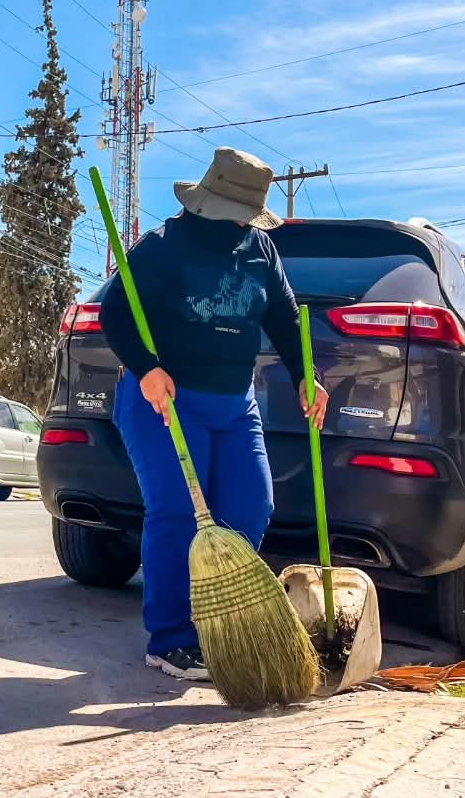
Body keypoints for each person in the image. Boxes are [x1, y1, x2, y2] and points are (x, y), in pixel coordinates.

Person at [99, 147, 328, 682]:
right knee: (178, 514)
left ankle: (219, 625)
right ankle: (171, 640)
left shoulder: (261, 249)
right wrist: (147, 368)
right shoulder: (163, 246)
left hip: (234, 403)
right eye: (237, 213)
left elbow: (284, 318)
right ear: (208, 203)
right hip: (164, 401)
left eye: (249, 215)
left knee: (252, 507)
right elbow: (115, 313)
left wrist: (306, 374)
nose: (243, 224)